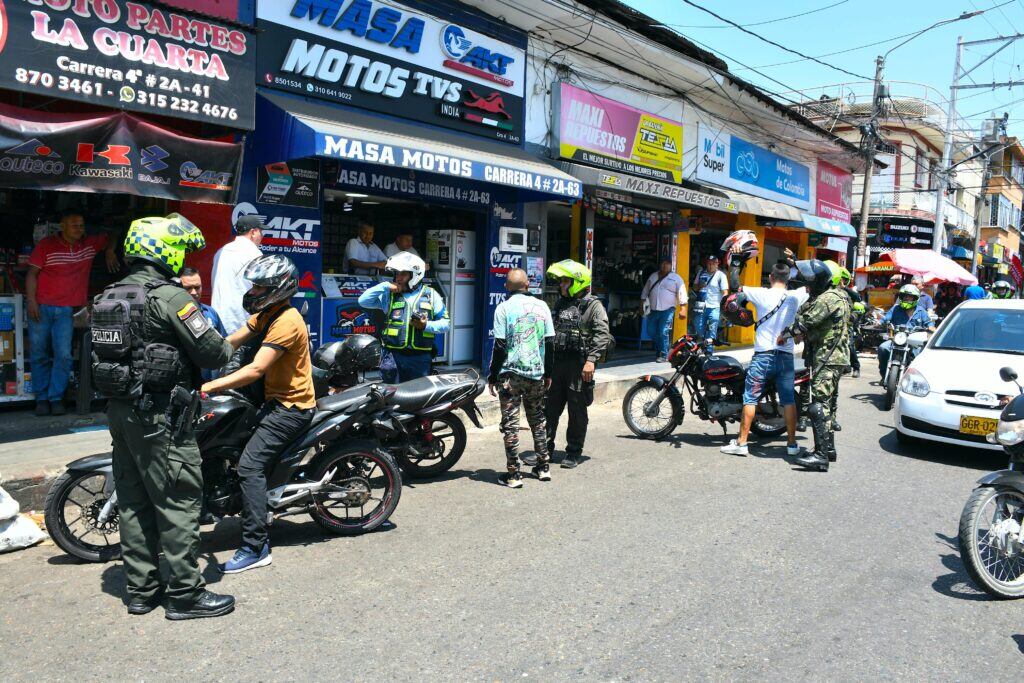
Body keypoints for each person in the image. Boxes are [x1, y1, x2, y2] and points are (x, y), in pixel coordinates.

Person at [95, 214, 234, 619]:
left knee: (134, 501)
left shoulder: (110, 294)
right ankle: (185, 595)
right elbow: (214, 353)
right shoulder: (171, 297)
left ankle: (141, 591)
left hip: (120, 411)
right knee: (178, 499)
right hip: (160, 416)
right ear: (165, 250)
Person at [201, 255, 315, 574]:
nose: (254, 291)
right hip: (272, 401)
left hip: (291, 407)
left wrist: (210, 385)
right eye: (254, 285)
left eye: (261, 286)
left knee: (249, 467)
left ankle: (256, 546)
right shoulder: (267, 314)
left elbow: (255, 369)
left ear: (278, 288)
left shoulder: (286, 321)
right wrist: (197, 356)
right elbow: (230, 341)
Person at [26, 210, 119, 415]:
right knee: (39, 354)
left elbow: (114, 232)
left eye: (82, 225)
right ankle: (41, 399)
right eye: (75, 225)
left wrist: (110, 250)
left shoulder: (88, 245)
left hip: (68, 310)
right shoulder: (46, 245)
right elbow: (32, 274)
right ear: (63, 227)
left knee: (64, 355)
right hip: (41, 307)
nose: (80, 229)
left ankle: (55, 397)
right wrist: (31, 301)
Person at [719, 261, 808, 458]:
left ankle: (742, 443)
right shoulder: (796, 296)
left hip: (763, 356)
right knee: (788, 400)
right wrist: (797, 262)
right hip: (785, 357)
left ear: (771, 277)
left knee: (750, 398)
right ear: (787, 279)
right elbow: (811, 283)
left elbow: (735, 287)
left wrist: (735, 261)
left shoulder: (761, 293)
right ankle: (792, 444)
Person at [781, 259, 850, 472]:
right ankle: (828, 449)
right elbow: (805, 311)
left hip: (827, 358)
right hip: (832, 358)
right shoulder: (835, 296)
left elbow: (804, 322)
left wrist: (784, 335)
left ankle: (820, 455)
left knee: (817, 406)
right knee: (827, 406)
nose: (807, 288)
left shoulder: (828, 298)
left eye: (809, 284)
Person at [488, 268, 555, 488]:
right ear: (528, 285)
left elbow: (499, 346)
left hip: (510, 376)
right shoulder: (543, 306)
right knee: (537, 420)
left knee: (511, 425)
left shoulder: (503, 308)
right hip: (536, 374)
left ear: (507, 287)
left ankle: (514, 474)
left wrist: (492, 375)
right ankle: (543, 467)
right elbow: (550, 344)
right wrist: (548, 373)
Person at [545, 260, 612, 469]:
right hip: (557, 364)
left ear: (577, 281)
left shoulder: (593, 305)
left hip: (579, 365)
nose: (561, 285)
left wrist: (591, 361)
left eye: (565, 281)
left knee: (577, 411)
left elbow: (603, 335)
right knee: (550, 408)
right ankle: (544, 450)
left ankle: (573, 452)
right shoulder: (560, 303)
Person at [358, 252, 448, 382]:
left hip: (420, 359)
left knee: (418, 398)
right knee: (390, 397)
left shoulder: (432, 295)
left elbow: (446, 324)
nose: (398, 278)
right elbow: (363, 300)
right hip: (392, 358)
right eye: (397, 274)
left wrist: (426, 325)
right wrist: (385, 286)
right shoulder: (389, 295)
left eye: (403, 274)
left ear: (415, 275)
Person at [211, 215, 263, 335]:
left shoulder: (221, 252)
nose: (262, 236)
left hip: (218, 322)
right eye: (261, 231)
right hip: (241, 324)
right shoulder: (255, 254)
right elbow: (260, 291)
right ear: (253, 232)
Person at [180, 267, 227, 381]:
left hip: (207, 384)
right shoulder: (171, 314)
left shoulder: (210, 313)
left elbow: (224, 342)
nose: (194, 292)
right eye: (188, 288)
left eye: (197, 287)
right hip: (182, 381)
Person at [876, 284, 933, 377]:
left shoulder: (921, 311)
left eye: (910, 297)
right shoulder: (896, 309)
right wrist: (879, 322)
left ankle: (914, 378)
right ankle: (883, 374)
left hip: (913, 342)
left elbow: (929, 324)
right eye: (905, 297)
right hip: (896, 339)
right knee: (883, 348)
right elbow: (886, 318)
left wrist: (932, 329)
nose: (907, 299)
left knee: (920, 355)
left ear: (915, 298)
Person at [641, 258, 687, 362]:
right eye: (663, 264)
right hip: (653, 309)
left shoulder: (676, 278)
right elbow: (645, 290)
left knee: (663, 331)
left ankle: (664, 354)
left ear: (671, 266)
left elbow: (682, 293)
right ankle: (661, 348)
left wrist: (683, 308)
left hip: (668, 309)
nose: (665, 266)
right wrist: (641, 304)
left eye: (667, 264)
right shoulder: (653, 276)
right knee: (651, 331)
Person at [693, 254, 728, 352]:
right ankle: (705, 341)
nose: (710, 265)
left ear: (717, 264)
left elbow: (725, 292)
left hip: (715, 306)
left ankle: (709, 351)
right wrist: (699, 286)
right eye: (708, 263)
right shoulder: (700, 273)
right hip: (700, 304)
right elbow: (694, 287)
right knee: (697, 324)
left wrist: (724, 307)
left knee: (712, 328)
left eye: (713, 263)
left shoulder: (721, 276)